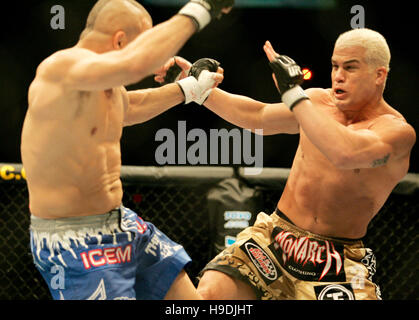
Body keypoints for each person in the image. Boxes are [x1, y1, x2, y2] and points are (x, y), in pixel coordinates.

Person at [156, 28, 416, 300]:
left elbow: (345, 153)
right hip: (275, 238)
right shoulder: (315, 101)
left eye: (350, 68)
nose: (338, 76)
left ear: (379, 75)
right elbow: (258, 115)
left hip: (336, 261)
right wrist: (196, 89)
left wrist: (294, 95)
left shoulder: (397, 133)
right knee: (212, 292)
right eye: (335, 66)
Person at [21, 0, 233, 300]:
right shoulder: (62, 67)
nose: (156, 58)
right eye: (144, 45)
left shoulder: (105, 86)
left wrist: (188, 90)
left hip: (121, 221)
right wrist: (202, 8)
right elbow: (135, 64)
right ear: (120, 40)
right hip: (74, 240)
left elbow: (131, 107)